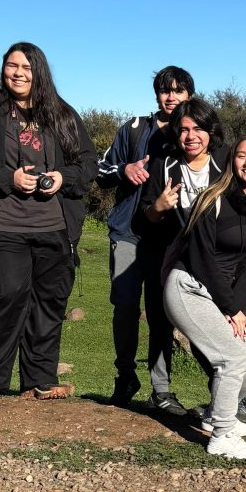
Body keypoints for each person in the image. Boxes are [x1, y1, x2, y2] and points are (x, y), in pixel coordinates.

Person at [0, 42, 96, 406]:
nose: (17, 73)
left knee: (49, 302)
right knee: (7, 298)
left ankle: (41, 380)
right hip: (3, 226)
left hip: (55, 227)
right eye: (11, 66)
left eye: (26, 67)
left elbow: (87, 164)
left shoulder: (62, 114)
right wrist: (9, 179)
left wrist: (63, 178)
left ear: (39, 72)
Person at [163, 137, 246, 461]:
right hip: (188, 287)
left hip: (221, 297)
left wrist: (238, 312)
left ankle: (216, 414)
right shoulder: (212, 198)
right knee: (230, 360)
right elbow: (202, 259)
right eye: (241, 156)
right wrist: (229, 308)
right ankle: (221, 435)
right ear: (231, 162)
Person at [97, 66, 194, 405]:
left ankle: (162, 389)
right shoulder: (135, 129)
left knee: (161, 312)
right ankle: (125, 377)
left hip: (168, 238)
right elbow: (101, 169)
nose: (172, 97)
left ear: (189, 96)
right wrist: (124, 169)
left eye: (179, 91)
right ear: (157, 95)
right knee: (124, 306)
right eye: (166, 90)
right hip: (128, 232)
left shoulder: (192, 133)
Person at [133, 97, 226, 416]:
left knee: (210, 327)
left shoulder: (225, 163)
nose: (191, 136)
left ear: (210, 131)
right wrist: (157, 208)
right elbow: (144, 217)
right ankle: (161, 391)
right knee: (160, 320)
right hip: (169, 257)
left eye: (198, 128)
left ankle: (224, 394)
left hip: (214, 262)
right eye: (184, 129)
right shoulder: (166, 165)